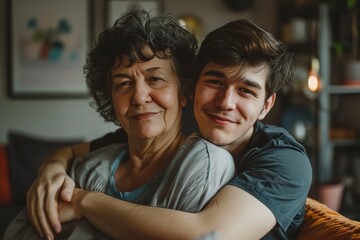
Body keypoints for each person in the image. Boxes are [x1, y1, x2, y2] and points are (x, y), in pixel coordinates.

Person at [26, 18, 312, 240]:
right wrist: (49, 171)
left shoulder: (285, 160)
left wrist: (85, 201)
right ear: (193, 86)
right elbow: (70, 152)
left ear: (266, 105)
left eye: (246, 91)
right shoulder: (177, 125)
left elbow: (207, 235)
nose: (225, 102)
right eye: (215, 82)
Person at [2, 10, 235, 240]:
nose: (139, 97)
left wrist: (86, 206)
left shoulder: (204, 166)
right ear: (111, 97)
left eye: (155, 79)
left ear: (183, 92)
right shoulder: (86, 169)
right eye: (123, 83)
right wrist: (50, 167)